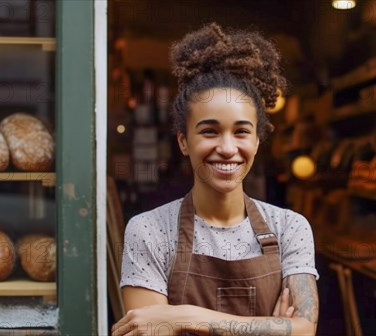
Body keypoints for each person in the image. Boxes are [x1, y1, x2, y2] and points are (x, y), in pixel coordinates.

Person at [113, 23, 319, 335]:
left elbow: (303, 330)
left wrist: (183, 318)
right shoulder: (149, 230)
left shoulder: (290, 227)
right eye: (209, 131)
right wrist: (270, 328)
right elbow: (148, 330)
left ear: (258, 141)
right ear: (183, 141)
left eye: (241, 132)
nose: (226, 148)